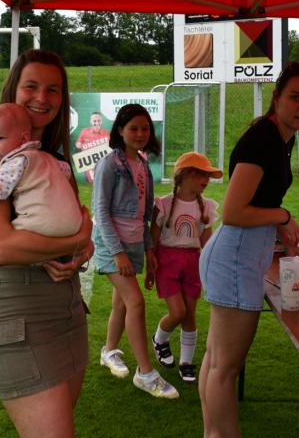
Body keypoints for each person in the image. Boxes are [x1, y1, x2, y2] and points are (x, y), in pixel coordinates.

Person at [0, 49, 94, 438]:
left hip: (68, 306)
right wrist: (77, 239)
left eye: (53, 90)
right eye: (31, 86)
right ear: (13, 90)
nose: (41, 98)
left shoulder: (52, 159)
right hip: (19, 309)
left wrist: (79, 254)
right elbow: (0, 247)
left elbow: (76, 231)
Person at [198, 61, 299, 437]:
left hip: (239, 256)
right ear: (277, 97)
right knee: (224, 368)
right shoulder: (264, 139)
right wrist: (283, 216)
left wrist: (281, 234)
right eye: (296, 97)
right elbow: (234, 211)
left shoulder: (282, 136)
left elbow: (258, 201)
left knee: (216, 361)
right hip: (234, 260)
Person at [91, 103, 179, 399]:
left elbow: (143, 216)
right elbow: (101, 212)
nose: (140, 134)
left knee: (121, 303)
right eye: (133, 128)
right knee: (136, 302)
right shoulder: (109, 164)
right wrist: (117, 253)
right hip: (111, 246)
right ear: (120, 130)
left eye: (145, 128)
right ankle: (146, 372)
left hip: (134, 245)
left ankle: (108, 351)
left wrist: (148, 250)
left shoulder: (143, 165)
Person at [146, 151, 221, 384]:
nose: (207, 180)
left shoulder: (206, 206)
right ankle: (159, 339)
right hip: (167, 262)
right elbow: (152, 239)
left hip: (193, 263)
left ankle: (186, 363)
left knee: (189, 315)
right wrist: (150, 268)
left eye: (208, 175)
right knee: (178, 312)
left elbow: (207, 242)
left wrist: (213, 266)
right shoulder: (164, 204)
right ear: (186, 174)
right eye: (202, 174)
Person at [0, 103, 81, 238]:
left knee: (7, 238)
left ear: (23, 139)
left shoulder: (17, 162)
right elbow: (66, 171)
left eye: (0, 138)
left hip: (41, 225)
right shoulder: (48, 158)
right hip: (74, 224)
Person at [76, 112, 111, 182]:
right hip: (88, 164)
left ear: (101, 121)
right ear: (91, 121)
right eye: (94, 121)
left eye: (99, 121)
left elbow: (110, 148)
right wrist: (79, 144)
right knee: (89, 182)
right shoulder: (84, 131)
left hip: (102, 164)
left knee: (102, 182)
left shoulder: (106, 133)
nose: (97, 123)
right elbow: (78, 144)